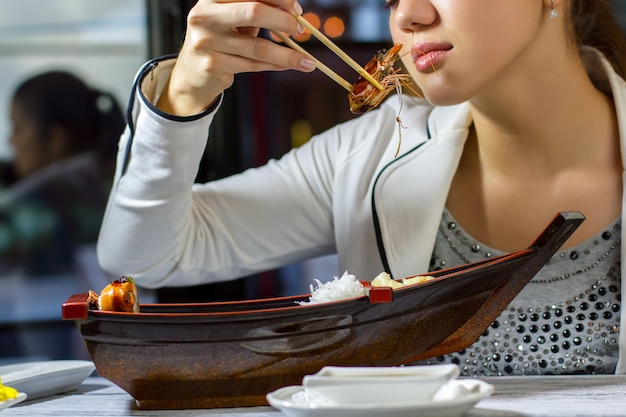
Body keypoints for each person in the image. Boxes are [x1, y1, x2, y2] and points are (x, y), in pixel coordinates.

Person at [97, 0, 626, 376]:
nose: (407, 16)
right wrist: (181, 98)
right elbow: (145, 256)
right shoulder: (371, 151)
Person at [4, 70, 124, 277]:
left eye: (18, 128)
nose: (10, 141)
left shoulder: (58, 193)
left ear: (54, 138)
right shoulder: (111, 177)